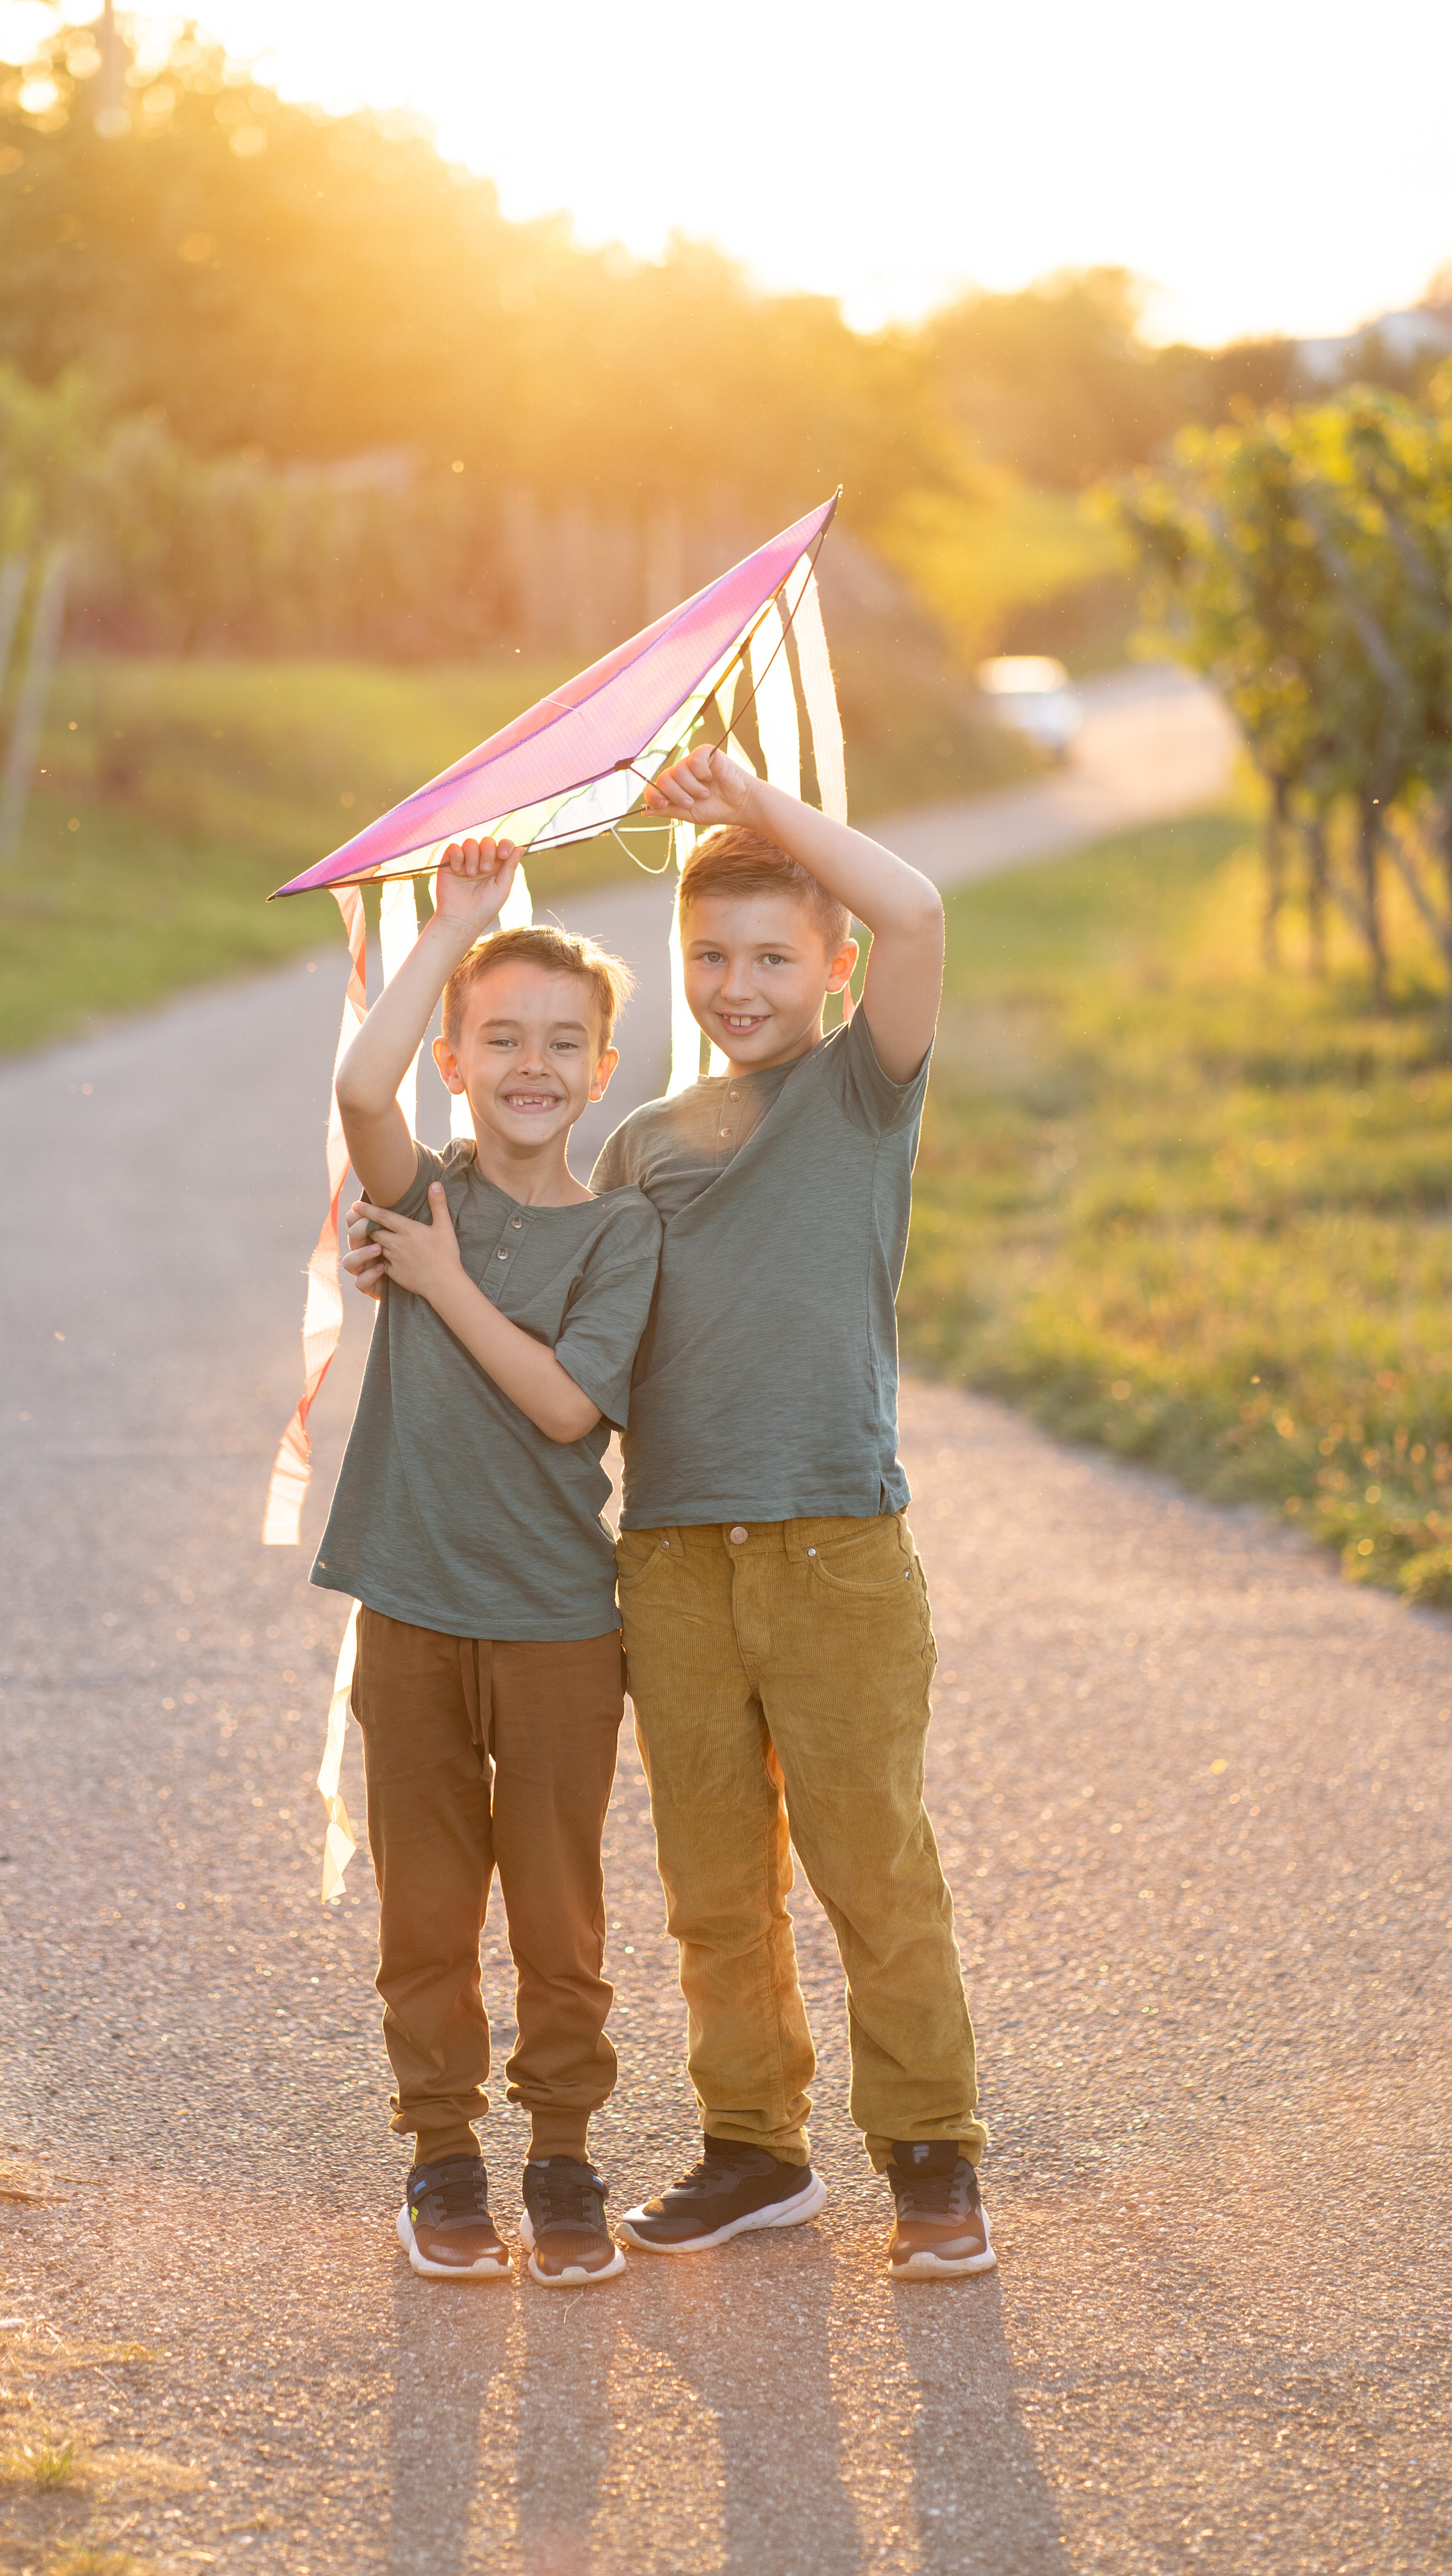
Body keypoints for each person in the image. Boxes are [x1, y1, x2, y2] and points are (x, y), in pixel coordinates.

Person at [590, 743, 995, 2282]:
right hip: (675, 1560)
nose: (735, 982)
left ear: (832, 968)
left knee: (869, 1863)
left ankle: (929, 2157)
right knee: (710, 1884)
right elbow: (592, 1348)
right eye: (707, 955)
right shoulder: (642, 1144)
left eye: (771, 955)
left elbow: (918, 906)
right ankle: (753, 2150)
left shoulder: (860, 1090)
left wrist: (759, 809)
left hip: (833, 1547)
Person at [317, 835, 661, 2290]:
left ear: (602, 1067)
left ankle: (564, 2161)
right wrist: (456, 921)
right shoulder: (418, 1184)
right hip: (410, 1611)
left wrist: (441, 1276)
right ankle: (442, 2159)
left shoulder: (619, 1231)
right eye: (499, 1037)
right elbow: (353, 1085)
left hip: (556, 1629)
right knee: (425, 1906)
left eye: (563, 1044)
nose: (532, 1063)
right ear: (454, 1061)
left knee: (557, 1911)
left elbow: (570, 1406)